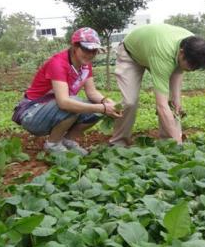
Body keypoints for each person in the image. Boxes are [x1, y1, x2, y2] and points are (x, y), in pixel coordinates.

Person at [12, 27, 122, 155]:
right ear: (75, 46)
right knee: (73, 103)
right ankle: (53, 144)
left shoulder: (85, 64)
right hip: (32, 114)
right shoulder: (58, 63)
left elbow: (92, 93)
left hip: (50, 110)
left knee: (95, 109)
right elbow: (64, 102)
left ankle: (67, 141)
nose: (90, 54)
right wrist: (102, 108)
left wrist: (107, 103)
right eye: (86, 49)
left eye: (94, 50)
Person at [110, 24, 205, 146]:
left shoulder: (192, 44)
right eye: (191, 65)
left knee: (173, 104)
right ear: (181, 52)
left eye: (195, 67)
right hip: (131, 53)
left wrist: (176, 98)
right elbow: (161, 105)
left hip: (156, 50)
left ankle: (168, 144)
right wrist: (179, 144)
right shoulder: (164, 55)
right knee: (130, 102)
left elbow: (179, 69)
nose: (192, 69)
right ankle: (118, 143)